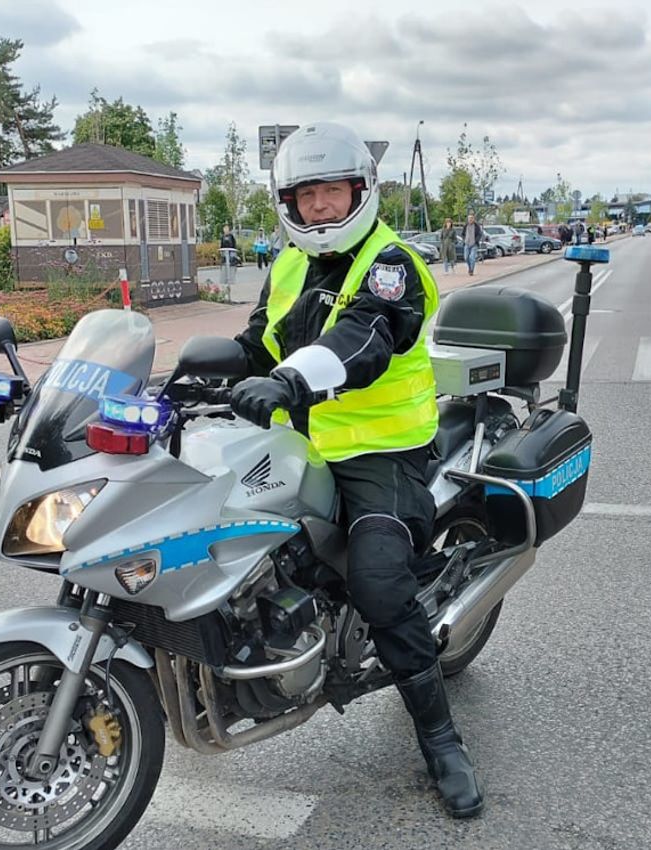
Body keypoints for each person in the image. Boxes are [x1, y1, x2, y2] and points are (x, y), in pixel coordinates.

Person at [230, 121, 484, 819]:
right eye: (304, 195)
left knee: (377, 582)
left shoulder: (391, 262)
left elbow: (364, 337)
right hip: (301, 447)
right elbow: (257, 343)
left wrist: (287, 384)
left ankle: (440, 741)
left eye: (330, 192)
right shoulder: (285, 264)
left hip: (383, 454)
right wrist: (183, 376)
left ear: (360, 192)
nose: (318, 209)